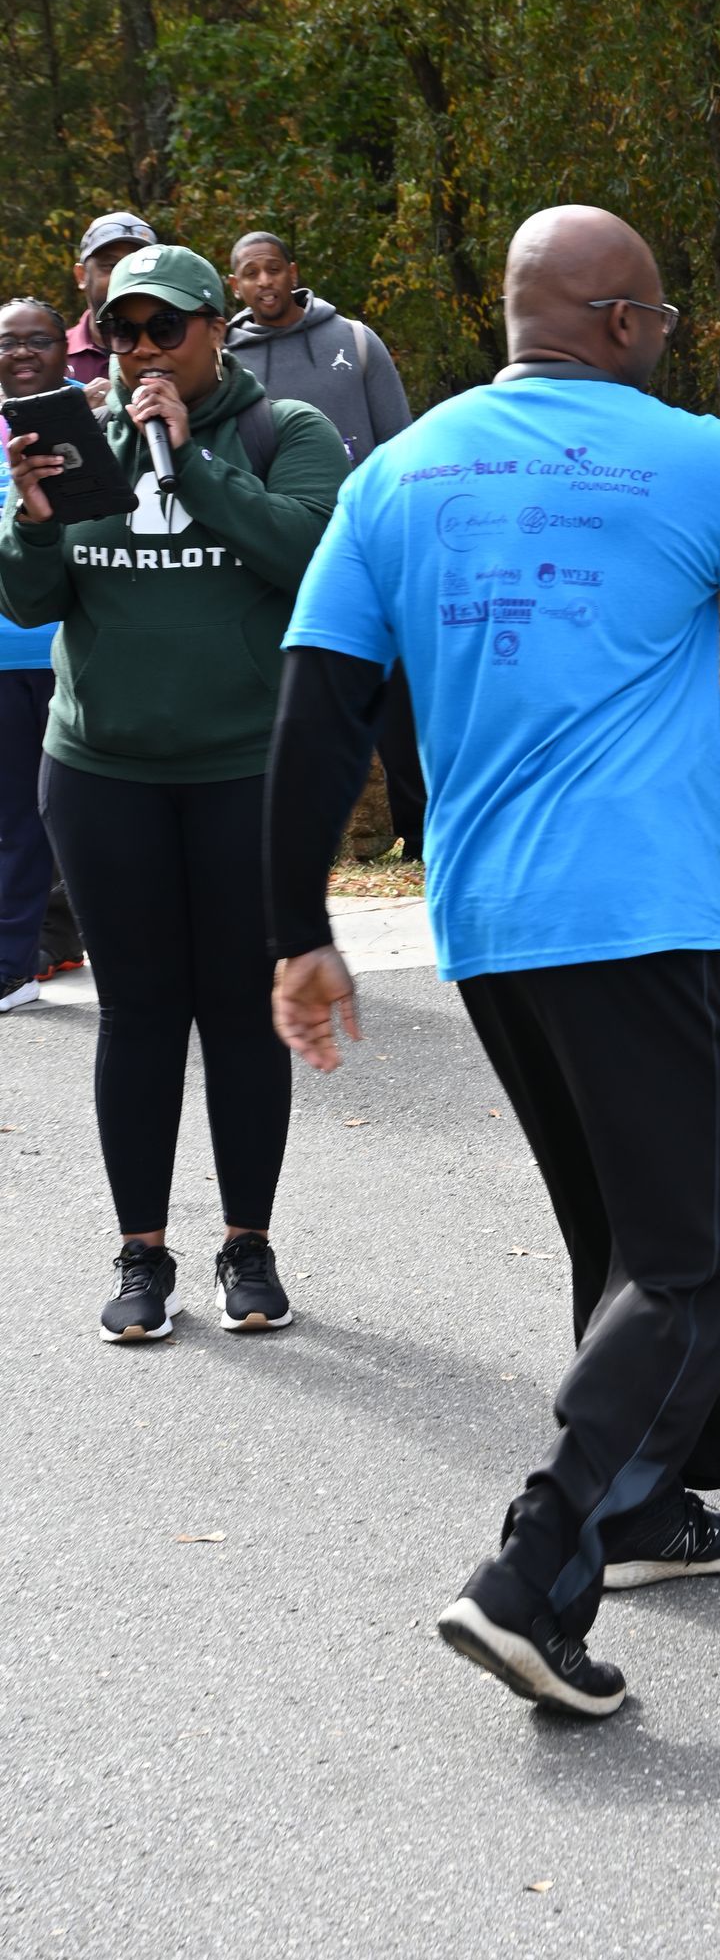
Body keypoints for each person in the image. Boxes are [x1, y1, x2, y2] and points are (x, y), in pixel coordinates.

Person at [266, 204, 720, 1719]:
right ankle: (539, 1562)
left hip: (488, 924)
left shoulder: (396, 472)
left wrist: (296, 929)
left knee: (621, 1219)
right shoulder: (706, 459)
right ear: (626, 322)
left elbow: (315, 709)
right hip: (640, 911)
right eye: (662, 320)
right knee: (707, 1213)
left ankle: (647, 1508)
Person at [0, 244, 349, 1340]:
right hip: (102, 773)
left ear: (215, 330)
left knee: (242, 1013)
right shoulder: (78, 436)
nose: (141, 349)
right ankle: (142, 1254)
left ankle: (248, 1244)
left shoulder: (283, 432)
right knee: (140, 1013)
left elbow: (308, 558)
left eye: (165, 328)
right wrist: (31, 519)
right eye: (122, 330)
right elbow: (32, 601)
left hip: (246, 771)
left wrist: (192, 461)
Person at [224, 230, 427, 857]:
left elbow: (400, 446)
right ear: (234, 285)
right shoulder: (223, 358)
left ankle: (421, 832)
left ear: (293, 272)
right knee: (286, 692)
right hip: (272, 546)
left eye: (273, 269)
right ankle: (294, 840)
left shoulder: (354, 341)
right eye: (250, 273)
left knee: (394, 691)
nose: (264, 282)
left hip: (364, 543)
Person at [0, 301, 87, 1008]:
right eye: (8, 342)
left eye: (39, 340)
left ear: (67, 347)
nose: (23, 352)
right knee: (14, 822)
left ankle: (133, 950)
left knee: (94, 817)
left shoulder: (103, 417)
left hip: (81, 652)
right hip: (4, 657)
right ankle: (12, 965)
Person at [66, 210, 158, 392]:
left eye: (138, 264)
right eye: (111, 266)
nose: (125, 277)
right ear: (81, 276)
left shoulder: (177, 351)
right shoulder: (53, 356)